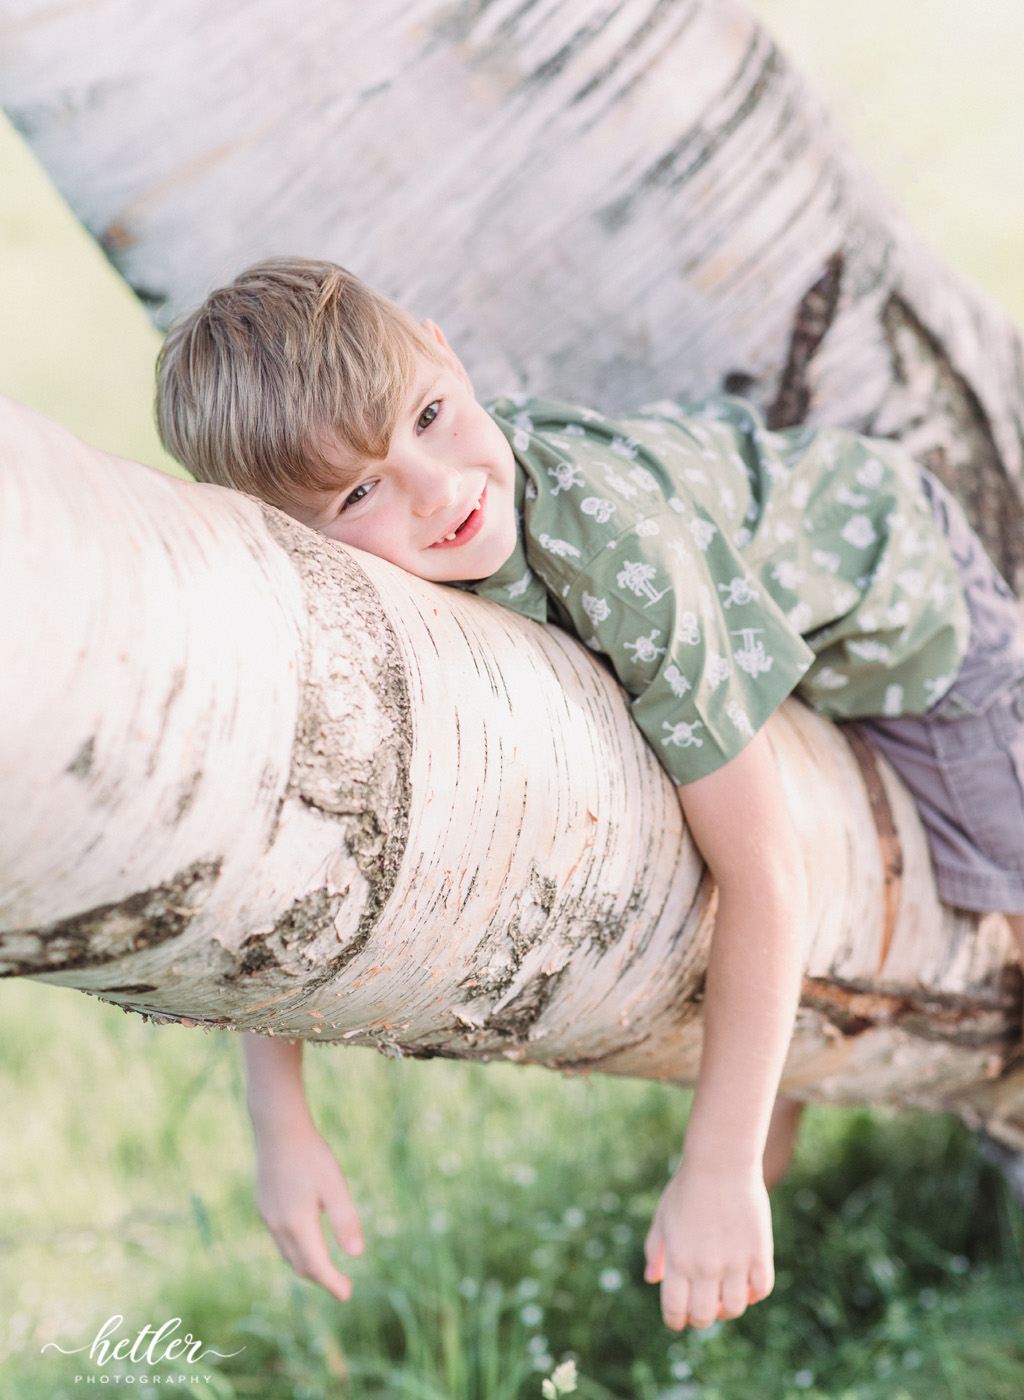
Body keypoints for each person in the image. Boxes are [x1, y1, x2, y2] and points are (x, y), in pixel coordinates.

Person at [156, 257, 1024, 1332]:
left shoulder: (616, 553)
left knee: (1005, 895)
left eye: (430, 414)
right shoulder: (374, 607)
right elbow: (300, 805)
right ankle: (782, 1091)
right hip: (752, 577)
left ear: (446, 351)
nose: (437, 488)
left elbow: (766, 871)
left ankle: (873, 1126)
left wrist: (719, 1165)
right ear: (296, 542)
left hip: (910, 600)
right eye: (358, 489)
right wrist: (278, 1119)